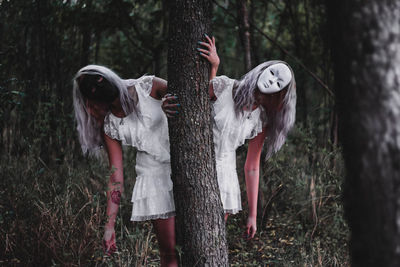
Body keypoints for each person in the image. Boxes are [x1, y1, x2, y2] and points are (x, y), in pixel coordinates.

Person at [163, 36, 296, 240]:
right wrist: (214, 66)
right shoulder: (225, 86)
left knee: (209, 241)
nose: (271, 81)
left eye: (278, 83)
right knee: (179, 240)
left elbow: (252, 166)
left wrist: (252, 215)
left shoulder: (261, 118)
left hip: (224, 179)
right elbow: (194, 102)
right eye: (272, 74)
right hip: (192, 166)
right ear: (261, 70)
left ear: (280, 95)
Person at [73, 65, 177, 266]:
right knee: (170, 252)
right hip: (153, 176)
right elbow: (115, 177)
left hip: (183, 165)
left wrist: (214, 67)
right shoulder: (109, 124)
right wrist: (109, 227)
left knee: (197, 242)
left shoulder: (149, 87)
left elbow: (196, 99)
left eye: (92, 103)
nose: (89, 109)